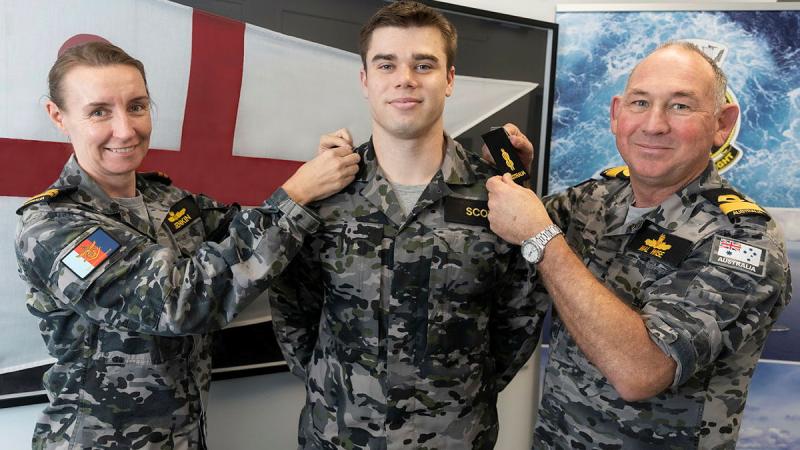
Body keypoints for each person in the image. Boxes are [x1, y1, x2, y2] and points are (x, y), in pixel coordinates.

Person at [14, 41, 360, 449]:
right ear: (58, 116)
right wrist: (297, 194)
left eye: (137, 106)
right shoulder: (52, 228)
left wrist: (319, 183)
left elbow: (253, 238)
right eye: (99, 112)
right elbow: (178, 300)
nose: (125, 129)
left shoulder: (166, 199)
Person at [485, 41, 792, 448]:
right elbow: (513, 231)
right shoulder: (597, 198)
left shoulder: (742, 240)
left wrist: (543, 239)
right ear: (616, 114)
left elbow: (641, 372)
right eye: (640, 103)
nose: (654, 125)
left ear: (722, 123)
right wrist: (514, 178)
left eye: (680, 106)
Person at [267, 2, 544, 448]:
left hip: (454, 437)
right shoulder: (322, 191)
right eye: (387, 64)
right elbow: (292, 311)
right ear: (365, 80)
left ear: (450, 79)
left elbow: (520, 316)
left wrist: (458, 399)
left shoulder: (497, 195)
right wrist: (337, 389)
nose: (405, 79)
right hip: (340, 434)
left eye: (424, 64)